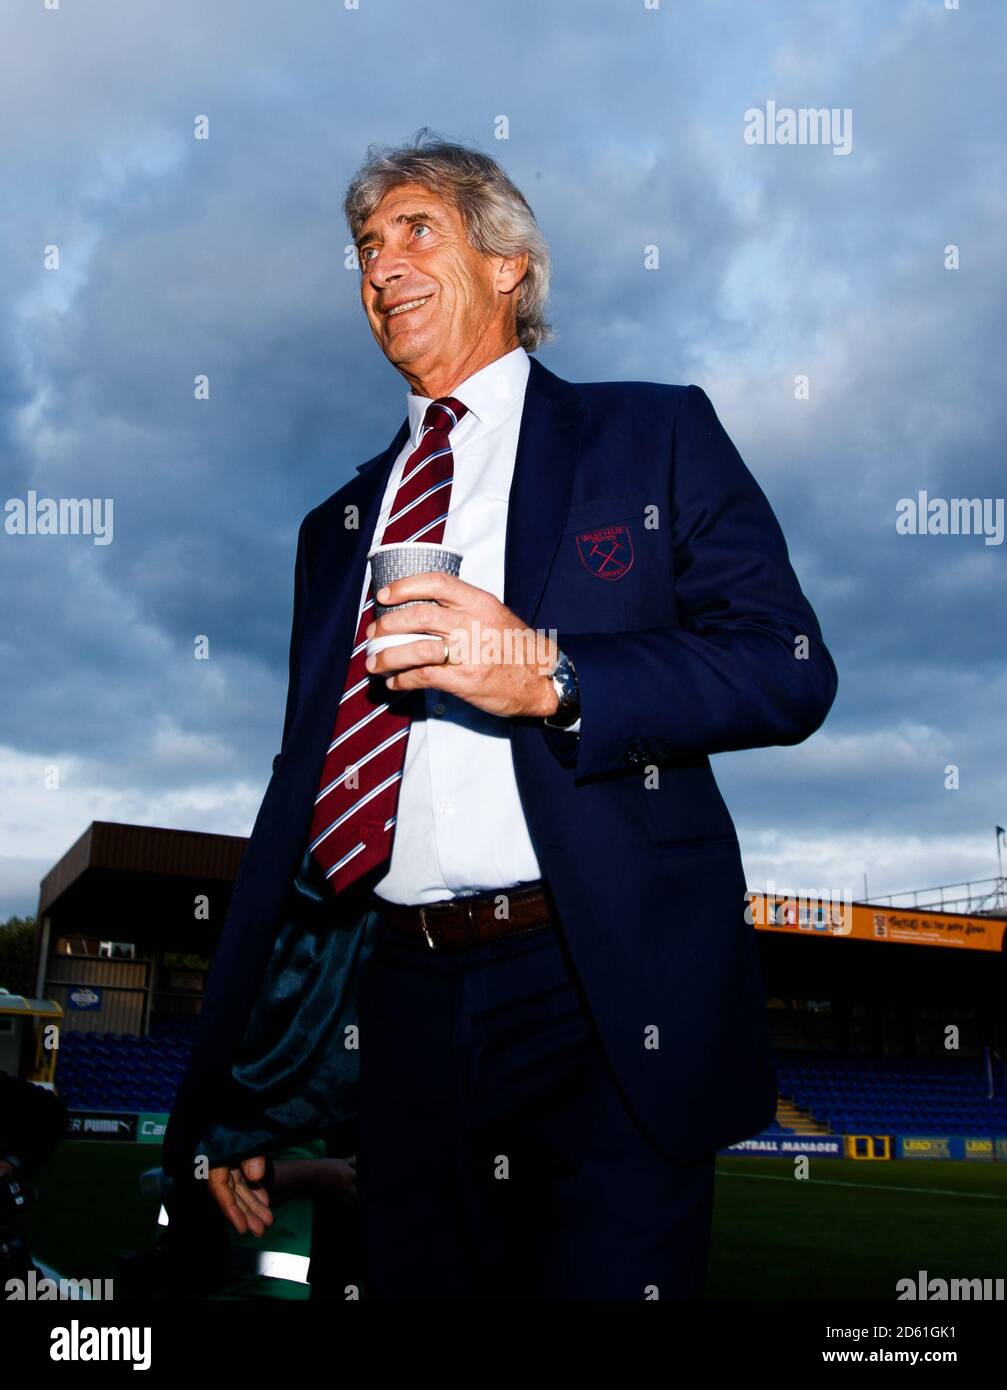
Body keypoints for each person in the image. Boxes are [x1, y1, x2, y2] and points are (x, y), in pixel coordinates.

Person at [163, 130, 838, 1300]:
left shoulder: (651, 434)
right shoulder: (332, 531)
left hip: (596, 992)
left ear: (508, 262)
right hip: (404, 1008)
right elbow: (316, 819)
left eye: (414, 228)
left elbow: (786, 667)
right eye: (364, 247)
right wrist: (269, 1089)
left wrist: (550, 675)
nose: (380, 265)